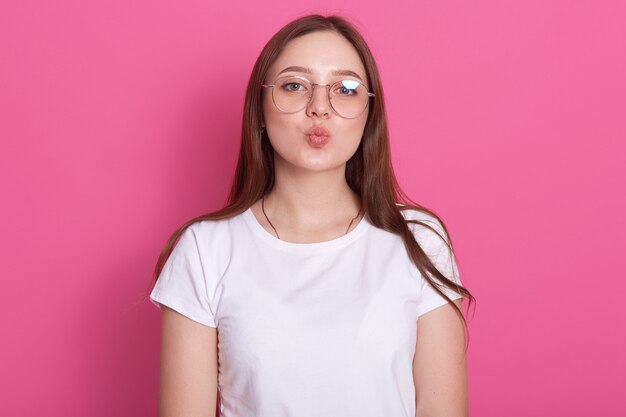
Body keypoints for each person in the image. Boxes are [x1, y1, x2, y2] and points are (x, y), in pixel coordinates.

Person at [148, 14, 474, 417]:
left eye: (347, 89)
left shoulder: (420, 240)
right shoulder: (204, 250)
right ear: (261, 108)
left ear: (370, 113)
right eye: (294, 86)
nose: (320, 108)